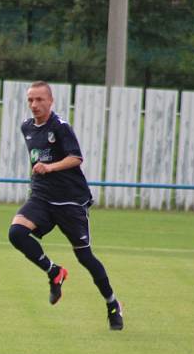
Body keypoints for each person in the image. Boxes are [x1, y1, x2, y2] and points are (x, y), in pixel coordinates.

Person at [8, 81, 124, 330]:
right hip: (41, 197)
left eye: (39, 99)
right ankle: (54, 272)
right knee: (16, 233)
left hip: (70, 201)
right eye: (30, 100)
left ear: (51, 101)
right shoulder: (26, 127)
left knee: (85, 256)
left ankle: (112, 304)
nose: (34, 105)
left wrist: (49, 167)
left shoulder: (61, 128)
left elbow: (76, 158)